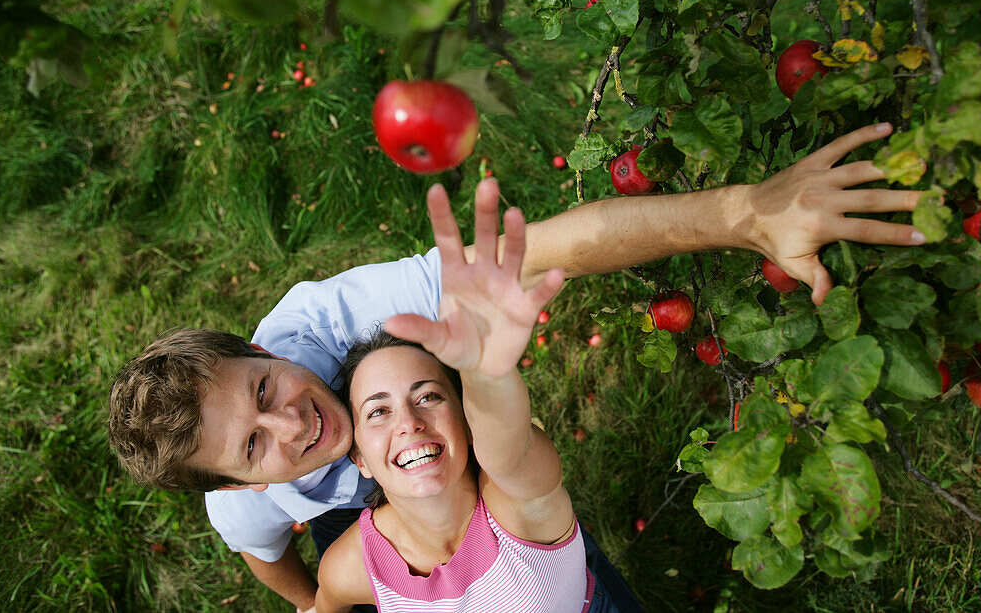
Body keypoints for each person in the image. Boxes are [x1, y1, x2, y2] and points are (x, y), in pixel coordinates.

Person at [108, 124, 923, 611]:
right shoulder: (260, 516)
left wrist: (745, 213)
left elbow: (544, 253)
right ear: (245, 486)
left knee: (546, 545)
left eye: (265, 387)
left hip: (495, 462)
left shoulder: (343, 318)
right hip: (370, 540)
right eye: (254, 444)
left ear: (263, 348)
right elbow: (279, 569)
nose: (294, 421)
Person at [314, 178, 593, 611]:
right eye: (378, 412)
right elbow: (327, 604)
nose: (408, 423)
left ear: (465, 419)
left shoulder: (517, 503)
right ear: (360, 460)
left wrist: (486, 371)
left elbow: (510, 448)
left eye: (427, 396)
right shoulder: (351, 567)